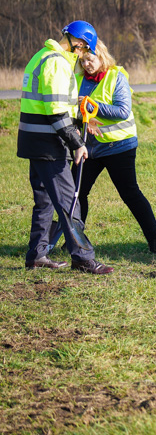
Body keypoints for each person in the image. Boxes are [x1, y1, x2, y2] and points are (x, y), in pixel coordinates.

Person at [19, 21, 114, 274]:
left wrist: (80, 117)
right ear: (79, 43)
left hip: (33, 140)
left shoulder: (40, 56)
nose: (82, 55)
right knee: (69, 202)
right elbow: (56, 111)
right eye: (84, 50)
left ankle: (36, 255)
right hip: (50, 145)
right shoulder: (58, 62)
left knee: (44, 202)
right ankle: (83, 258)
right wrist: (77, 143)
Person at [74, 41, 156, 254]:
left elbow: (123, 111)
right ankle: (76, 240)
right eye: (83, 60)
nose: (87, 64)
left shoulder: (117, 77)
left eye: (91, 59)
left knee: (130, 193)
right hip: (90, 147)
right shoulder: (78, 79)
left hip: (120, 146)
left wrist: (91, 106)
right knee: (76, 192)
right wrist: (84, 115)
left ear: (102, 57)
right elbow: (74, 110)